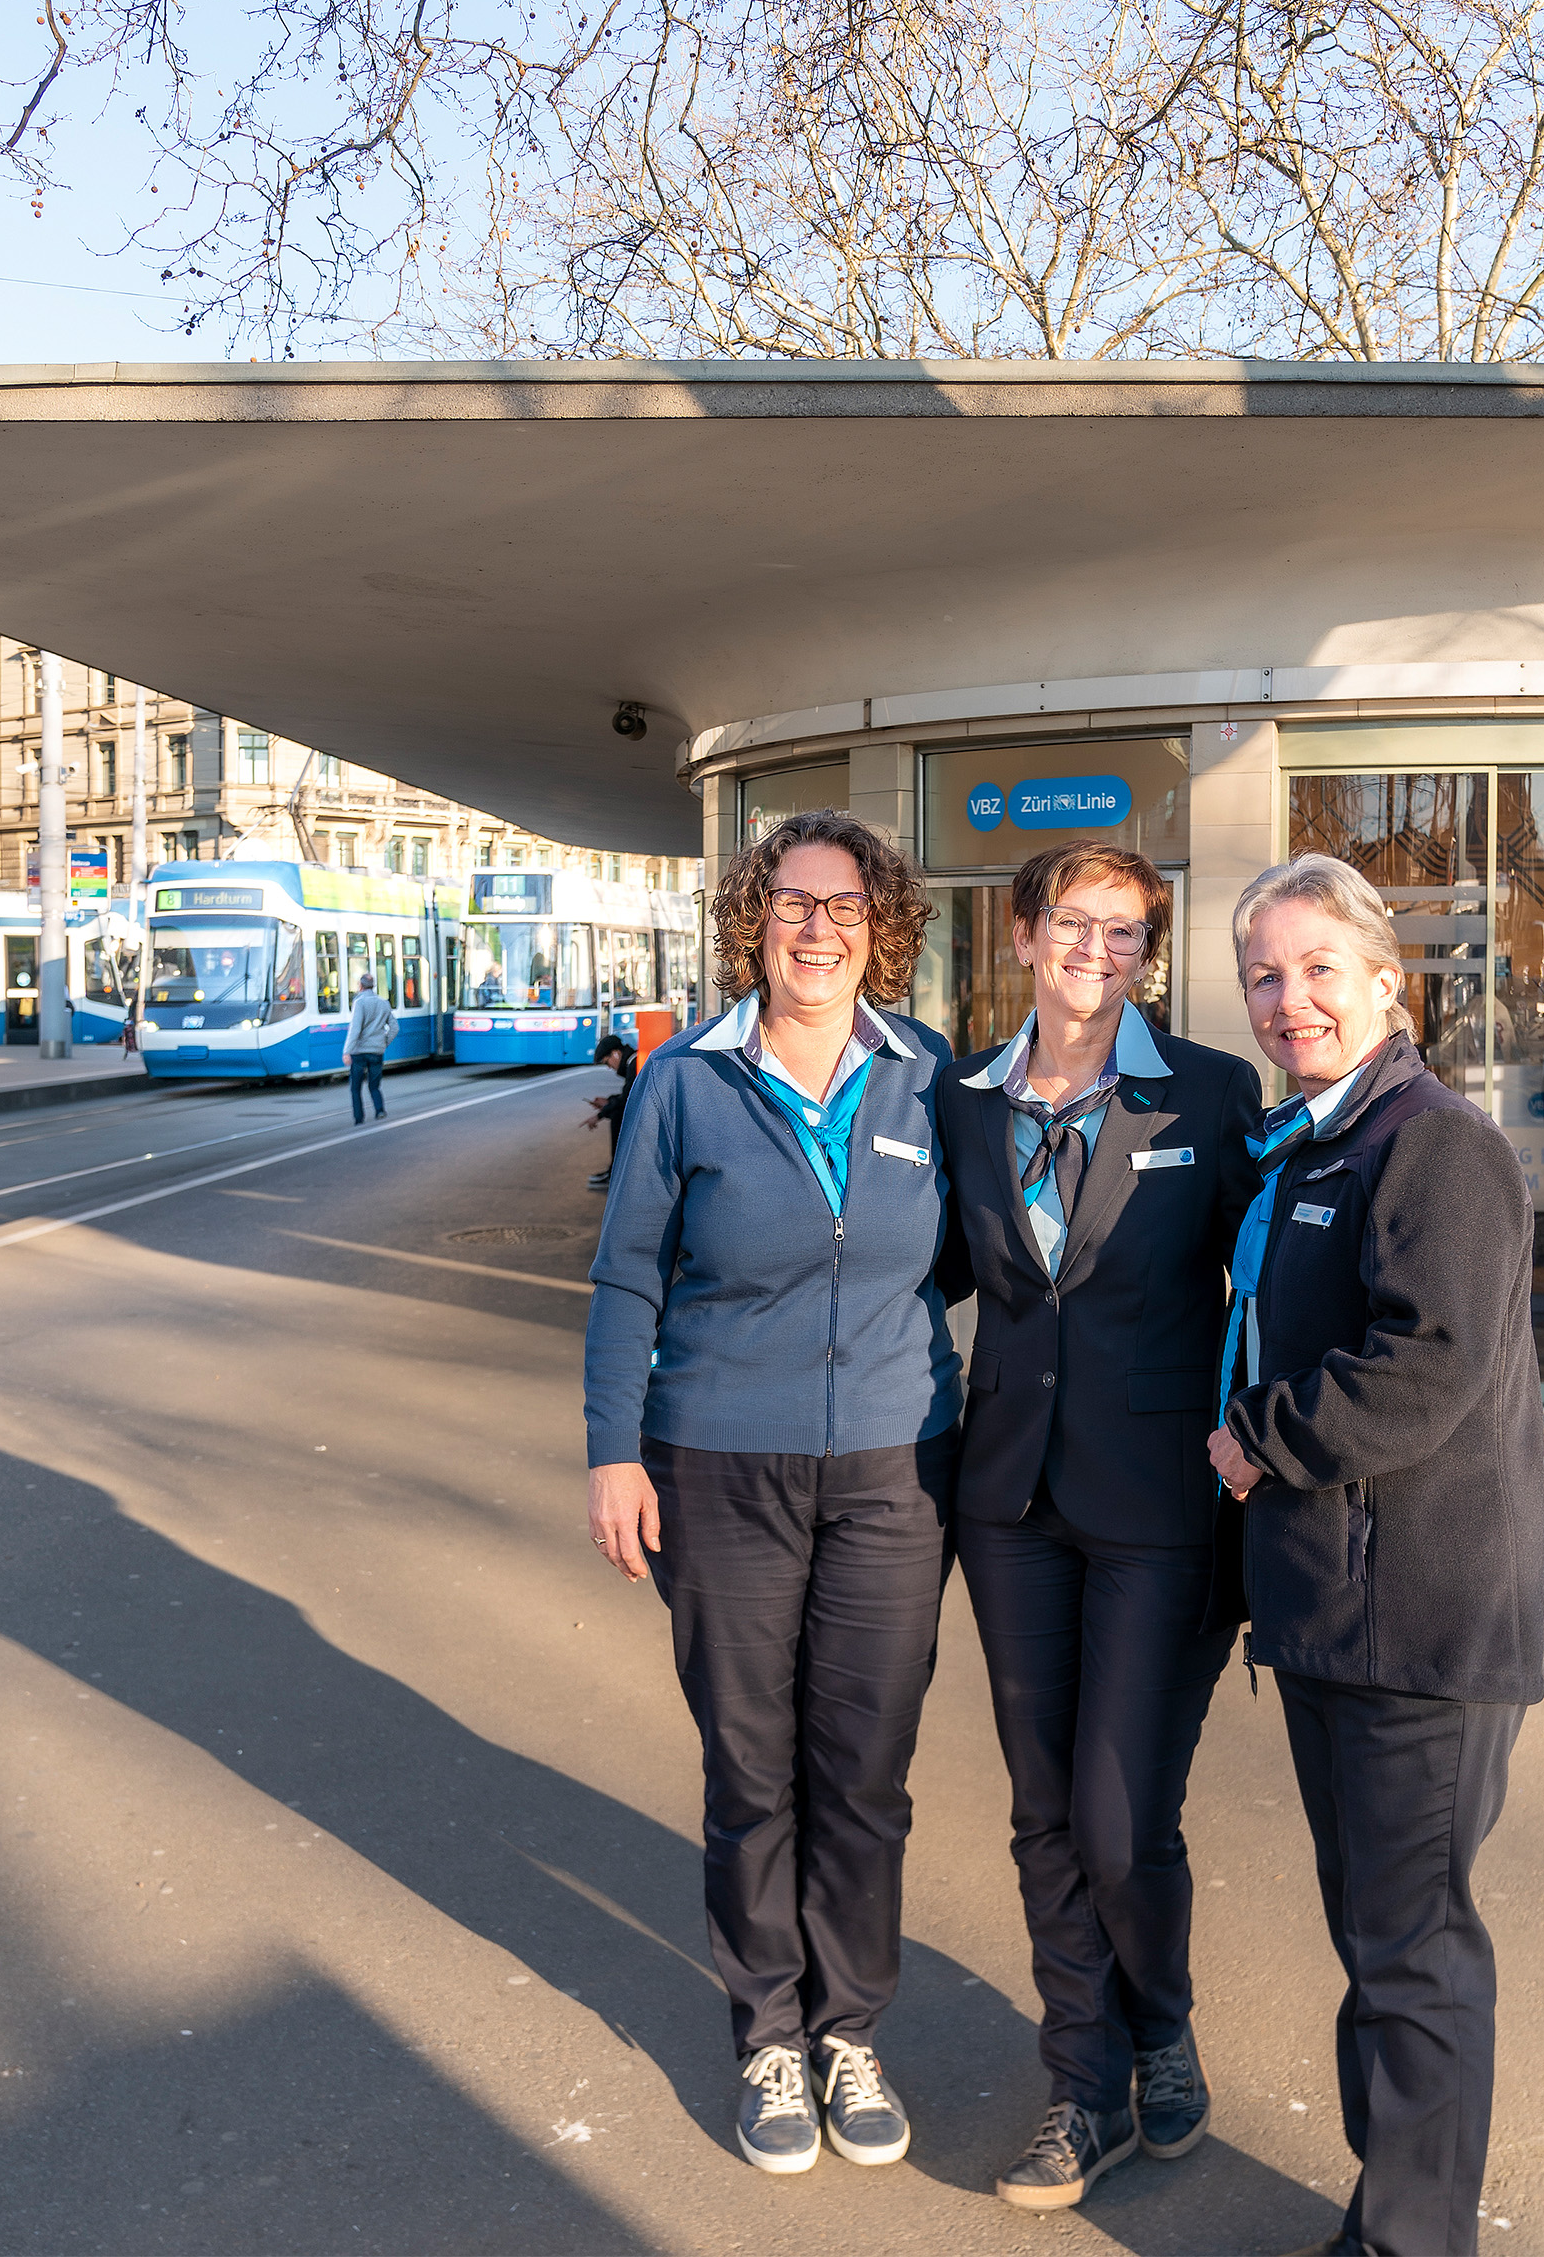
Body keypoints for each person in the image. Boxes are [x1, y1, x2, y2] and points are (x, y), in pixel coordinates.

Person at [583, 809, 965, 2178]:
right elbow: (630, 1270)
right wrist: (613, 1448)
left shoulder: (932, 1077)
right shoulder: (687, 1079)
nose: (818, 928)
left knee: (864, 1770)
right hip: (718, 1461)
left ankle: (849, 2028)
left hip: (891, 1468)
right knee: (753, 1767)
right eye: (794, 903)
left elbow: (981, 1259)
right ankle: (768, 2031)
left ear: (883, 927)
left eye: (845, 906)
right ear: (756, 918)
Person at [1207, 852, 1544, 2257]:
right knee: (1378, 1938)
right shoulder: (1324, 1139)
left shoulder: (1434, 1143)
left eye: (1316, 969)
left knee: (1412, 1950)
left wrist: (1259, 1436)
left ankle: (1414, 2240)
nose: (1290, 1001)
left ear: (1385, 981)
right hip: (1340, 1610)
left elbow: (1429, 1365)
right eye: (1264, 977)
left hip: (1417, 1619)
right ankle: (1391, 2214)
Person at [935, 841, 1262, 2211]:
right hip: (1011, 1500)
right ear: (1022, 934)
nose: (1097, 950)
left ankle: (1159, 2020)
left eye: (1126, 932)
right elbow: (920, 1270)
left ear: (1148, 952)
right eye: (1074, 922)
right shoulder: (961, 1102)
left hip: (1158, 1507)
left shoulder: (1209, 1090)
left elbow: (1265, 1281)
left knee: (1123, 1817)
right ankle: (1082, 2083)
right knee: (1043, 1806)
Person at [581, 1031, 638, 1191]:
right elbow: (628, 1095)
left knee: (618, 1115)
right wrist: (609, 1101)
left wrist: (599, 1115)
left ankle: (616, 1173)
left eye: (607, 1062)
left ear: (616, 1053)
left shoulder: (633, 1064)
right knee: (615, 1111)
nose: (609, 1068)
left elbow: (627, 1100)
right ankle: (614, 1170)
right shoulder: (632, 1062)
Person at [344, 970, 397, 1123]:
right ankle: (380, 1110)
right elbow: (395, 1028)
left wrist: (347, 1051)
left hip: (359, 1052)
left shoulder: (359, 1002)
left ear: (360, 986)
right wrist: (383, 1043)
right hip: (376, 1052)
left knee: (355, 1088)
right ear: (373, 986)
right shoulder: (383, 1003)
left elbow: (355, 1029)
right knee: (374, 1085)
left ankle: (359, 1118)